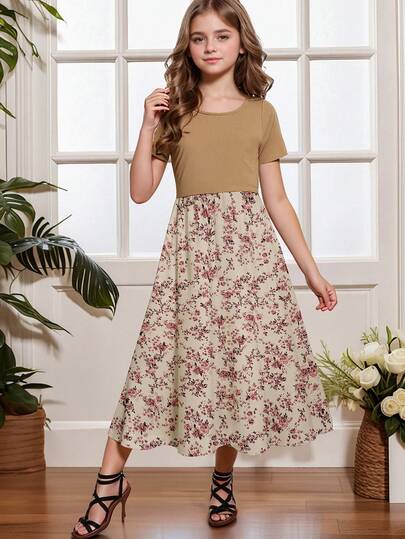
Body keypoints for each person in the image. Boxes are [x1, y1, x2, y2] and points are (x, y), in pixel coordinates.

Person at [71, 0, 337, 536]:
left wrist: (311, 271)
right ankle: (109, 482)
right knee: (152, 366)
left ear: (241, 44)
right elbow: (141, 191)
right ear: (187, 46)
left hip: (250, 264)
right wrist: (147, 124)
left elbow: (277, 201)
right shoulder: (175, 111)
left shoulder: (261, 114)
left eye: (221, 36)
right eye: (199, 38)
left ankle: (222, 480)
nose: (210, 46)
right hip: (189, 262)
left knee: (233, 372)